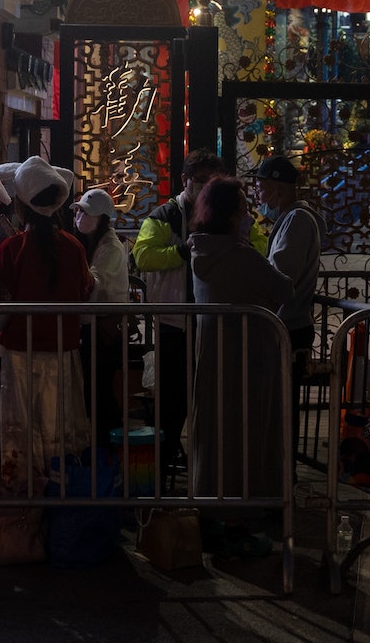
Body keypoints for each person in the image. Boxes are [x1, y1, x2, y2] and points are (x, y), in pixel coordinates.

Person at [187, 178, 290, 560]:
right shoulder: (241, 255)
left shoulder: (199, 251)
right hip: (248, 357)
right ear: (231, 214)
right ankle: (238, 519)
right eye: (244, 208)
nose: (249, 215)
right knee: (244, 433)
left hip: (212, 354)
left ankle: (211, 511)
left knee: (213, 433)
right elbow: (284, 289)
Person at [0, 158, 91, 477]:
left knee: (21, 432)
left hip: (19, 352)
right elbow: (85, 290)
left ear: (21, 203)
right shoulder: (73, 246)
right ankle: (61, 494)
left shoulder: (12, 247)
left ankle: (23, 499)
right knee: (58, 428)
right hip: (63, 351)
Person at [132, 149, 225, 467]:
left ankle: (209, 467)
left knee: (214, 401)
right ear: (185, 180)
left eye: (214, 181)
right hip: (176, 321)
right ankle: (162, 468)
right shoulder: (165, 215)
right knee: (172, 402)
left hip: (216, 321)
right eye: (201, 180)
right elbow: (142, 255)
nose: (206, 187)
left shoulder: (225, 214)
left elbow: (254, 245)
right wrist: (182, 251)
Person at [252, 157, 325, 375]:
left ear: (279, 190)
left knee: (283, 399)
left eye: (261, 190)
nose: (259, 197)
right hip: (285, 323)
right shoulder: (289, 219)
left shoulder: (297, 221)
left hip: (289, 326)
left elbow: (281, 277)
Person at [73, 189, 130, 434]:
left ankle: (109, 448)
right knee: (95, 390)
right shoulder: (93, 244)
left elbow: (94, 283)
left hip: (104, 330)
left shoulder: (111, 248)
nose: (79, 217)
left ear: (102, 218)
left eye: (85, 213)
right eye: (78, 211)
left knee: (100, 390)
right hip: (93, 327)